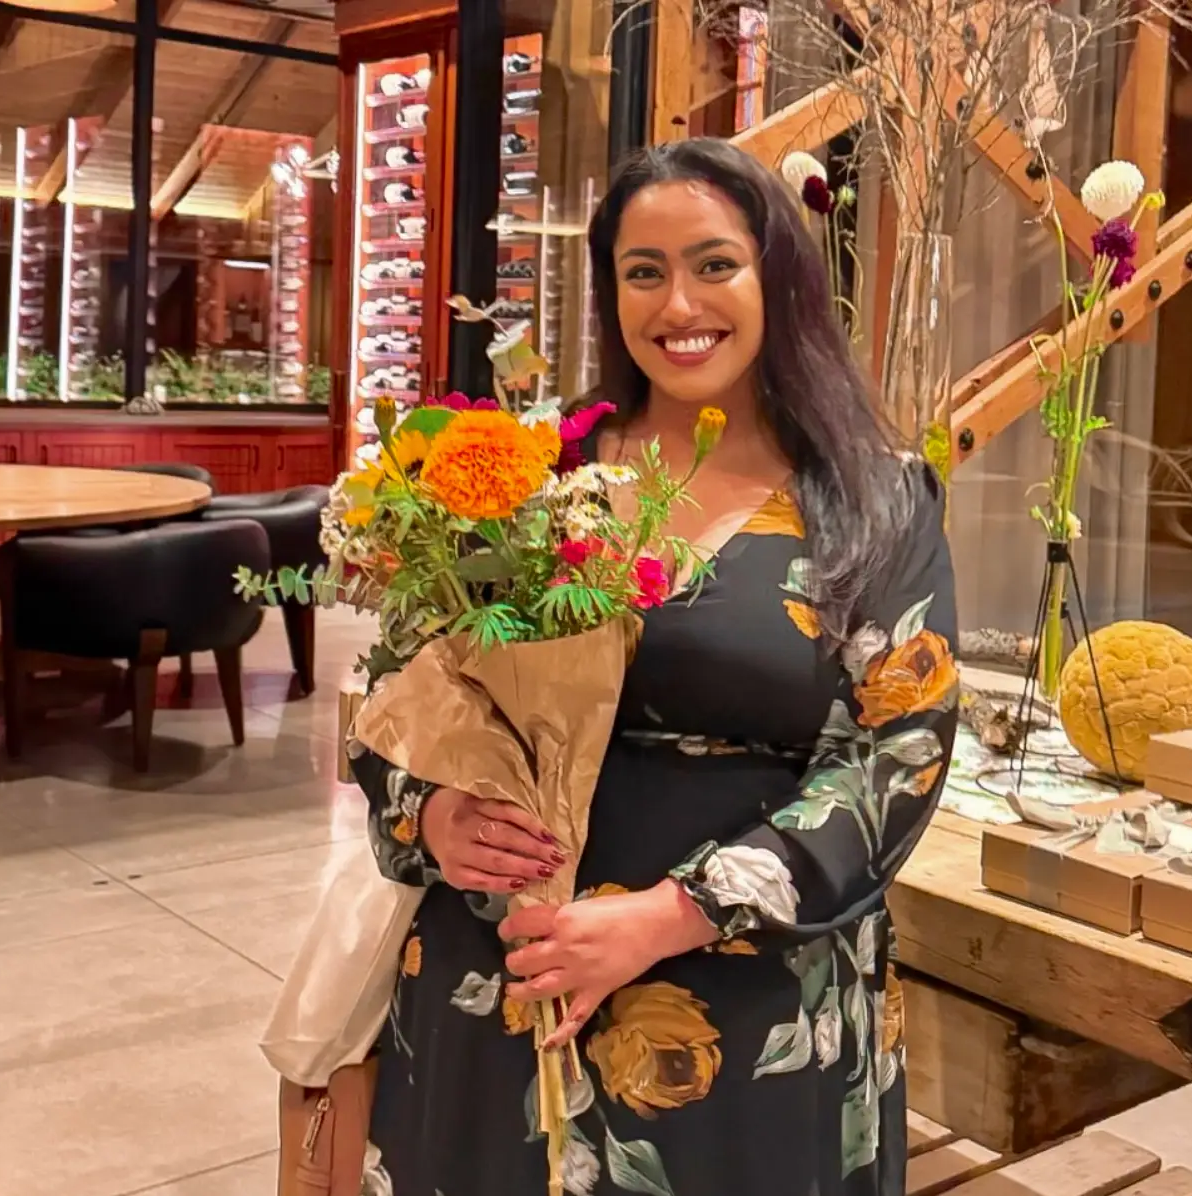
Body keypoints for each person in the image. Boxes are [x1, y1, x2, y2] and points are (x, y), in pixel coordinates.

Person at [353, 136, 958, 1196]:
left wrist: (665, 916)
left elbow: (897, 758)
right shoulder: (527, 473)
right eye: (643, 271)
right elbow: (395, 700)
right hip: (501, 976)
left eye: (713, 263)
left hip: (747, 1005)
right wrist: (431, 814)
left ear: (778, 275)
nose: (678, 303)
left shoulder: (871, 498)